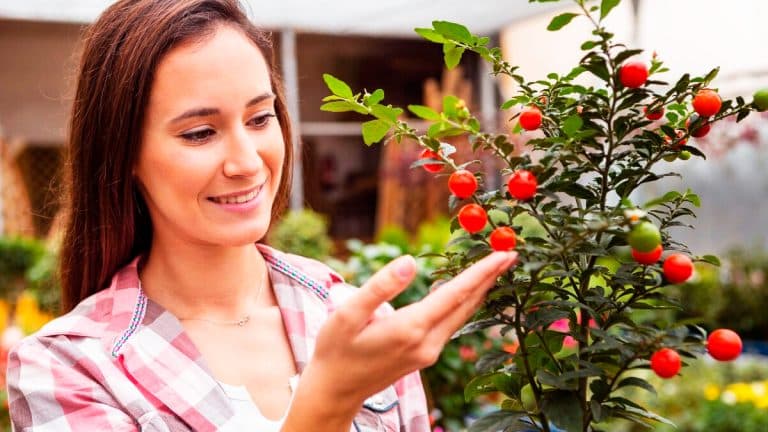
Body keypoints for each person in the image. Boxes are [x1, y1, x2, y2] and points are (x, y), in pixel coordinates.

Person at [5, 0, 518, 430]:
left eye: (259, 117)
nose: (247, 162)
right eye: (199, 133)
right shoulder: (67, 368)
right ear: (125, 155)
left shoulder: (351, 318)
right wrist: (329, 403)